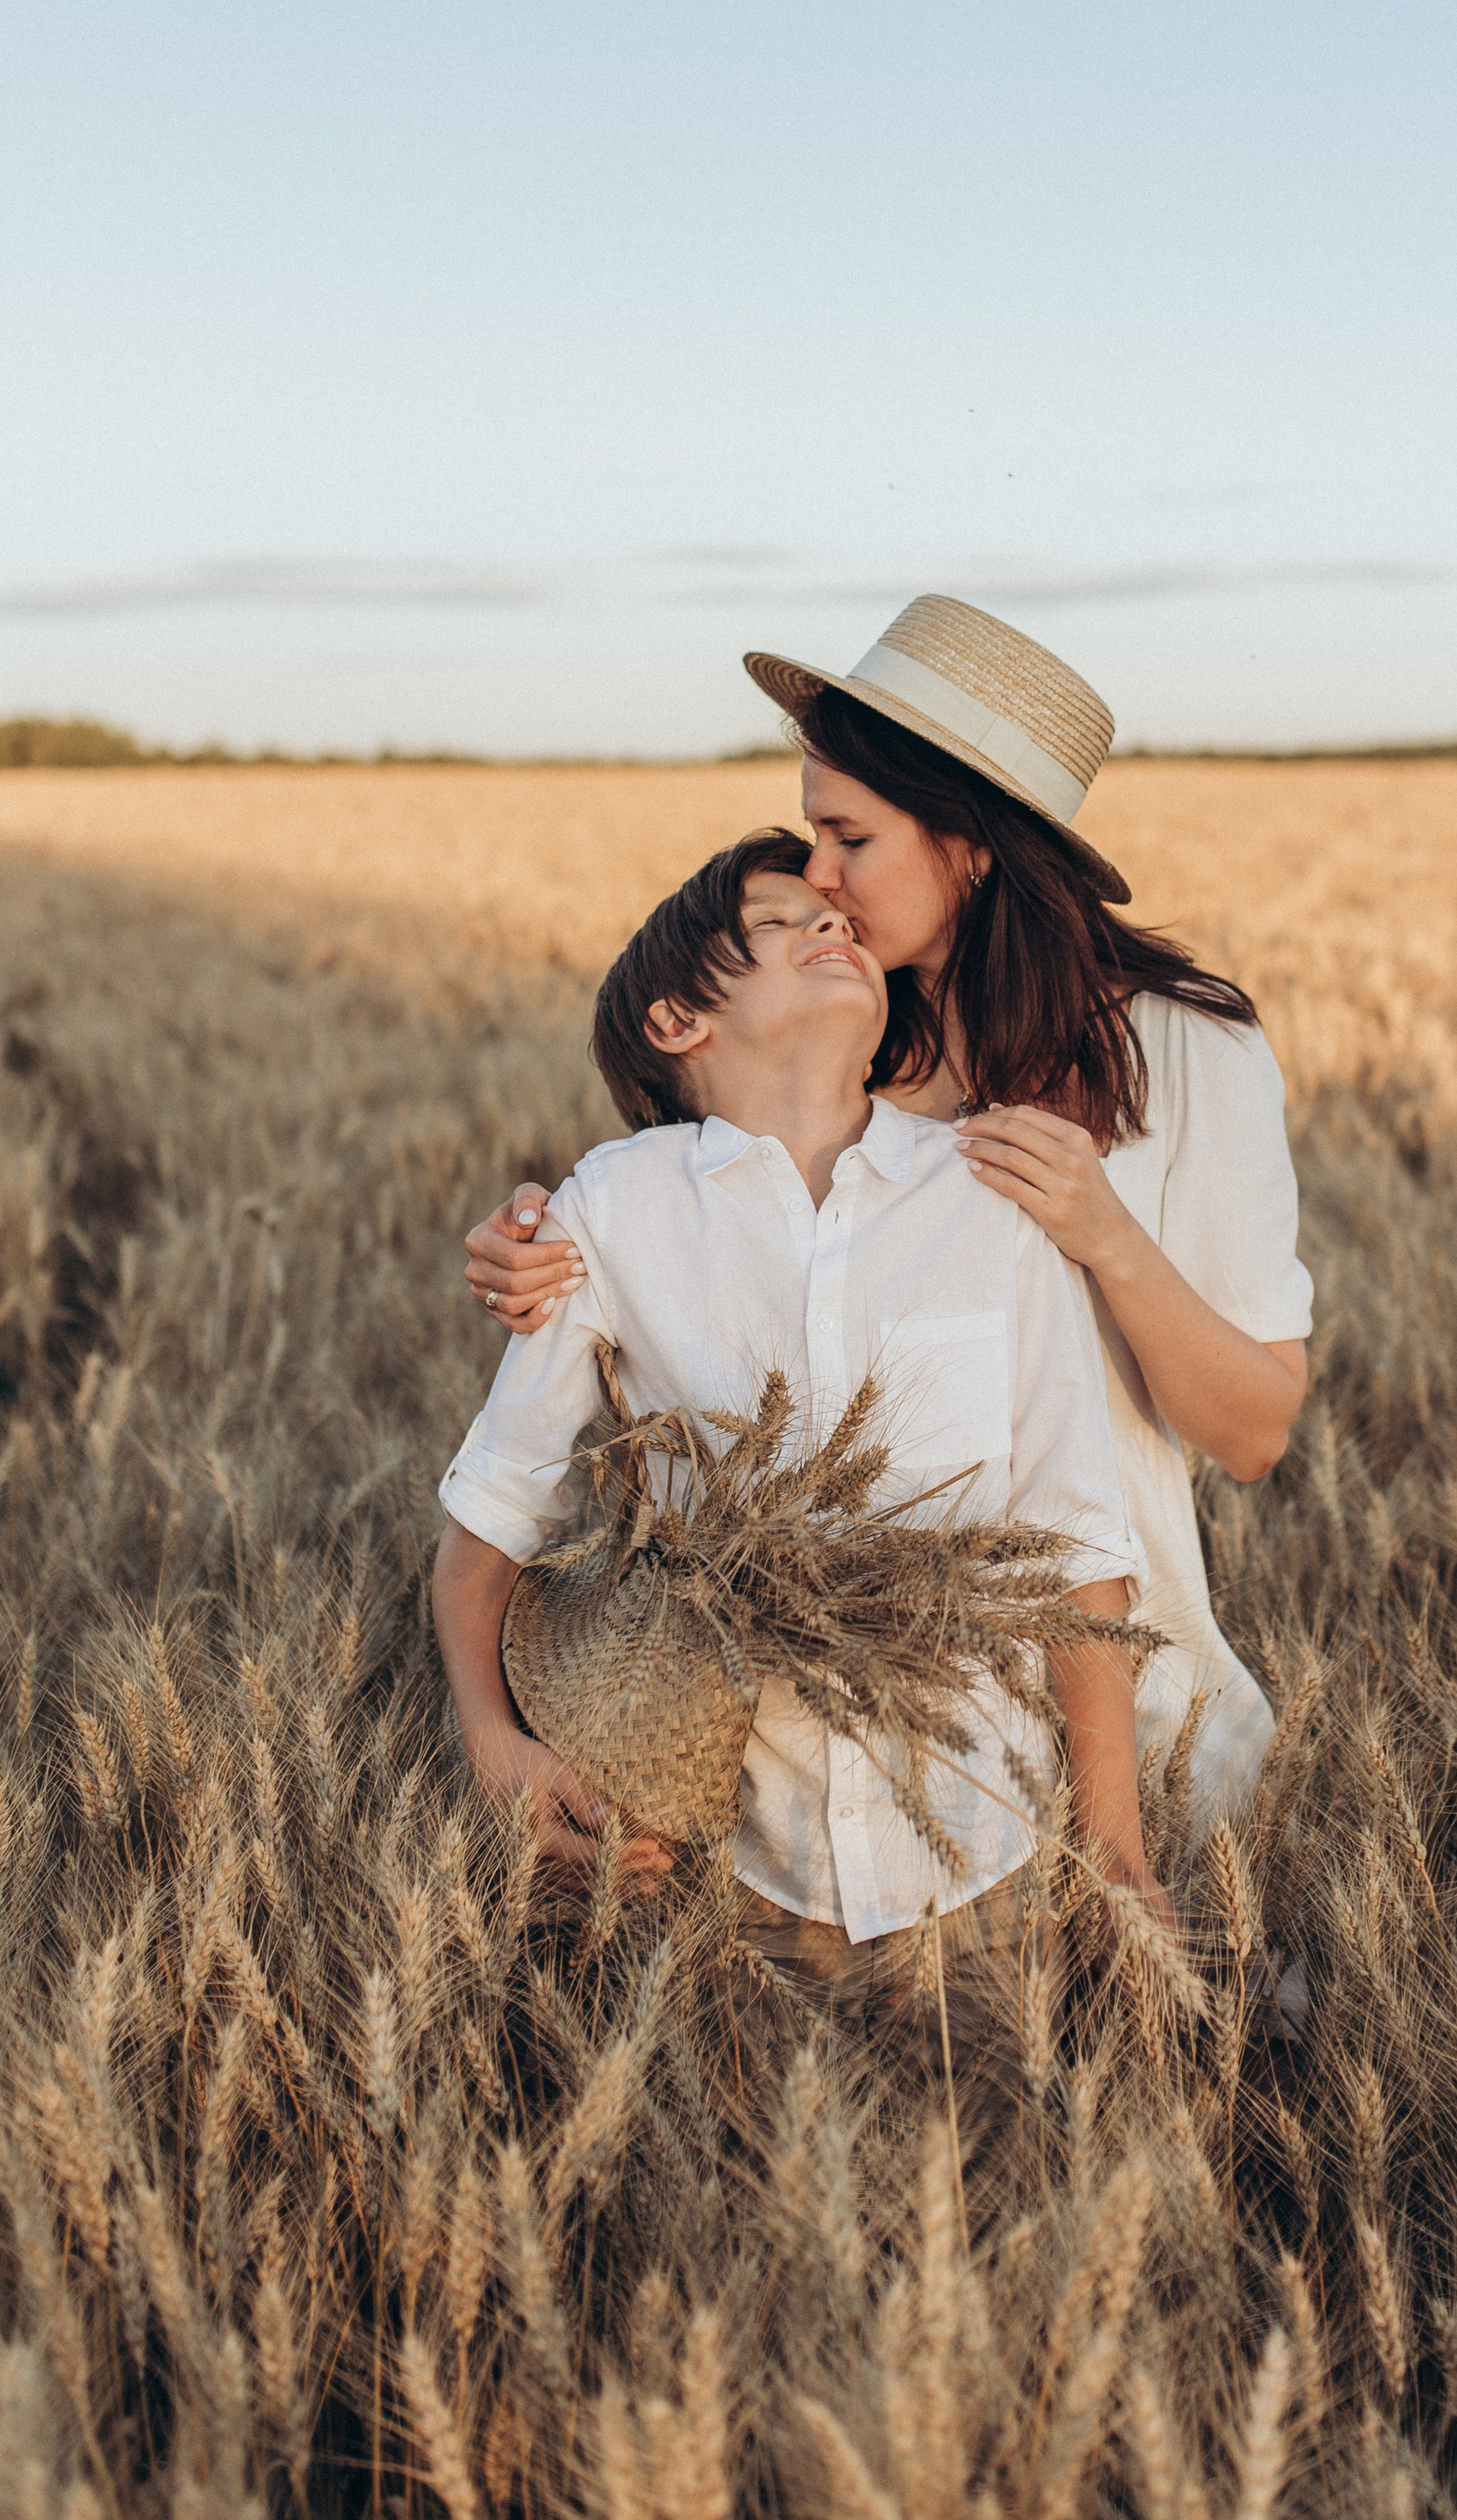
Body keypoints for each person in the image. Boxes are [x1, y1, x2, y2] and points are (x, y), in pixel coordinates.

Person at [465, 598, 1313, 1832]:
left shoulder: (1189, 1052)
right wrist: (538, 1236)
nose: (818, 875)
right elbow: (698, 1242)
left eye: (847, 835)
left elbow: (1256, 1433)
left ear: (968, 841)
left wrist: (1104, 1235)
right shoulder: (861, 1043)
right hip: (831, 1732)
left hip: (1118, 1698)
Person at [433, 827, 1163, 2092]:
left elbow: (1076, 1540)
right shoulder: (614, 1209)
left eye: (836, 920)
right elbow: (491, 1506)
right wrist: (488, 1739)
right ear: (676, 1020)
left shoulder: (991, 1192)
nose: (830, 925)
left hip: (979, 1865)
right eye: (775, 927)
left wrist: (1113, 1846)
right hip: (720, 1876)